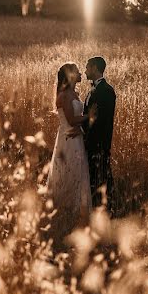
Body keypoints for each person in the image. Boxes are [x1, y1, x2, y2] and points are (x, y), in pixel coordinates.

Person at [47, 62, 91, 238]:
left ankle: (75, 210)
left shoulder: (74, 93)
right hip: (68, 139)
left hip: (76, 137)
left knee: (77, 171)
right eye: (78, 71)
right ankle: (65, 210)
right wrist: (92, 115)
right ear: (71, 75)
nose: (81, 73)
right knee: (68, 170)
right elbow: (72, 120)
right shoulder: (64, 95)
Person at [80, 56, 117, 210]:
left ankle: (109, 206)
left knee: (102, 174)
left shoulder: (107, 91)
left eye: (87, 67)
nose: (85, 71)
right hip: (89, 141)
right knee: (95, 176)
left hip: (99, 142)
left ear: (95, 68)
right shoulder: (93, 90)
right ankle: (99, 205)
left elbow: (102, 121)